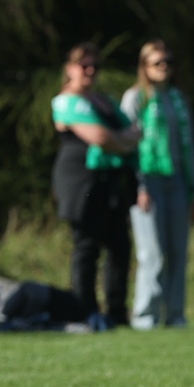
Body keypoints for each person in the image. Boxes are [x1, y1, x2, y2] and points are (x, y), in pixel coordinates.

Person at [52, 42, 140, 330]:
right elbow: (100, 136)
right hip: (81, 182)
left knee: (119, 245)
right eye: (83, 66)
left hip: (110, 181)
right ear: (70, 69)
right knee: (87, 246)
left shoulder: (104, 100)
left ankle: (116, 311)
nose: (89, 72)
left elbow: (134, 130)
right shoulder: (67, 101)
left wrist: (121, 140)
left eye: (94, 67)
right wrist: (122, 140)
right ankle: (86, 309)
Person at [122, 41, 194, 329]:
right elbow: (128, 145)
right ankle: (146, 316)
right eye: (157, 63)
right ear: (145, 66)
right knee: (152, 253)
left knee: (178, 251)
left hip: (178, 180)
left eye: (168, 62)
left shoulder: (179, 99)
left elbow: (190, 144)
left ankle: (175, 315)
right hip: (148, 181)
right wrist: (138, 185)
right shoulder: (136, 98)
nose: (164, 67)